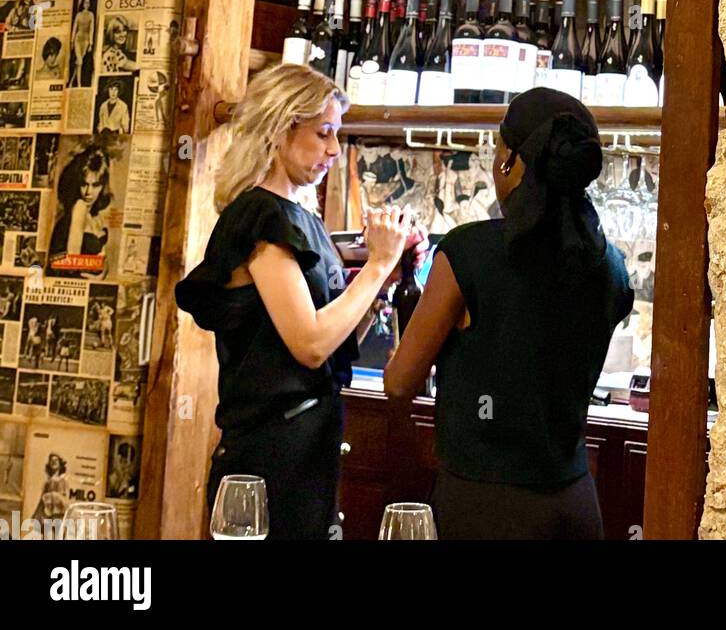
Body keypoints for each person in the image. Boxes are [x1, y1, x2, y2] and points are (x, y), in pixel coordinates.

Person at [175, 63, 424, 541]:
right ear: (277, 129)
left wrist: (383, 280)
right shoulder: (263, 218)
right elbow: (308, 344)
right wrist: (373, 266)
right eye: (324, 132)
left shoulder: (297, 215)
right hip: (270, 453)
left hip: (306, 444)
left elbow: (333, 338)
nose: (334, 149)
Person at [385, 87, 634, 540]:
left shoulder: (468, 251)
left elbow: (400, 382)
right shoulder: (610, 267)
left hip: (482, 506)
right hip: (575, 504)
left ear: (507, 159)